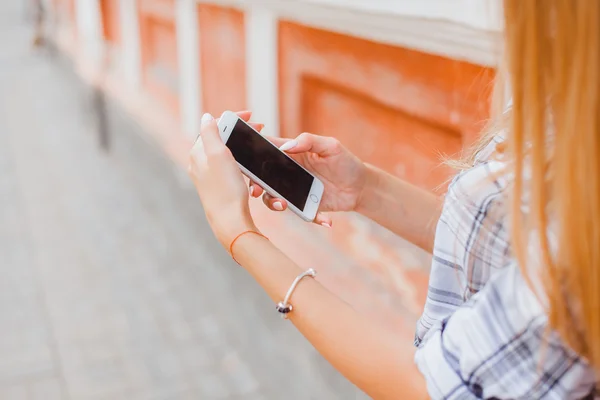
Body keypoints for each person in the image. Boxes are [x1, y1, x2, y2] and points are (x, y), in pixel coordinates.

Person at [189, 1, 600, 398]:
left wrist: (237, 232)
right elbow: (500, 247)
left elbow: (429, 388)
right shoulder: (568, 92)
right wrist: (364, 189)